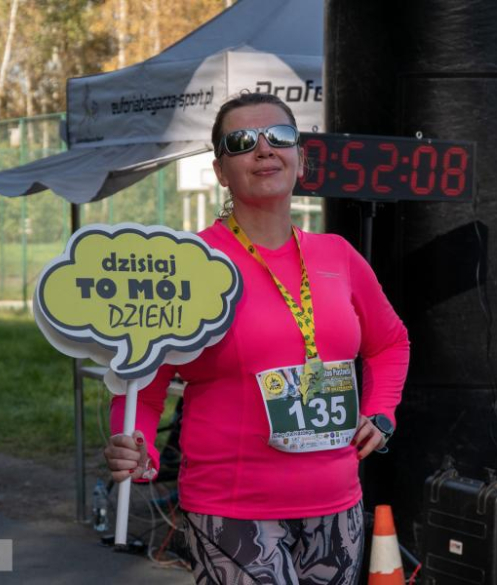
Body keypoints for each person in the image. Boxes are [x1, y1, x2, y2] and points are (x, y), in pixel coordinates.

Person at [104, 92, 410, 585]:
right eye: (242, 142)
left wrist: (382, 411)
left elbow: (390, 342)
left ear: (300, 157)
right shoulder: (188, 264)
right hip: (233, 512)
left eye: (280, 137)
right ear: (221, 170)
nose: (264, 150)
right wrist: (140, 449)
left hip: (338, 504)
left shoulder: (339, 256)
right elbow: (145, 379)